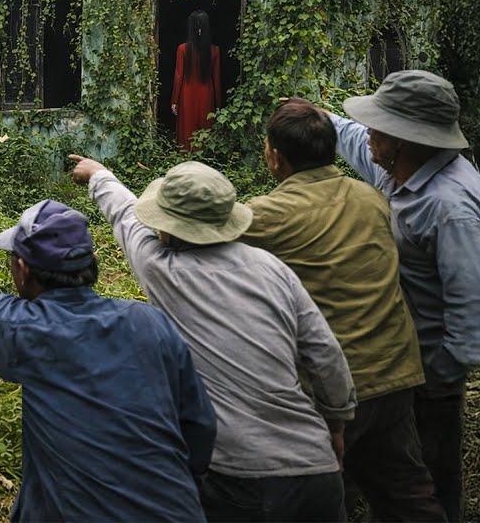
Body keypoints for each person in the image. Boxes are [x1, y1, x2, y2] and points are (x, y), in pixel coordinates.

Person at [71, 156, 357, 522]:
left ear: (170, 227)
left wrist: (98, 176)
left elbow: (125, 215)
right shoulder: (271, 267)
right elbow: (325, 353)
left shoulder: (162, 267)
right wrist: (336, 424)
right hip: (316, 469)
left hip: (236, 476)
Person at [0, 200, 216, 522]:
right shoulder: (150, 321)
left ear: (23, 270)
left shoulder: (24, 328)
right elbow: (199, 425)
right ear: (91, 262)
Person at [241, 98, 445, 521]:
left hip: (333, 389)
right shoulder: (370, 196)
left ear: (275, 157)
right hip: (395, 372)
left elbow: (189, 229)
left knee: (321, 498)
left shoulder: (267, 214)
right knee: (407, 493)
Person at [326, 70, 480, 522]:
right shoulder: (402, 169)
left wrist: (438, 375)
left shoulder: (449, 207)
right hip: (396, 358)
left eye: (377, 127)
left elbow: (476, 308)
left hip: (427, 368)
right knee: (393, 467)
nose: (368, 134)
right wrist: (314, 118)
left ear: (404, 138)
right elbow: (349, 138)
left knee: (428, 473)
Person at [171, 9, 222, 150]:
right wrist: (219, 103)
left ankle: (186, 154)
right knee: (206, 125)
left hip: (187, 94)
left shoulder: (182, 49)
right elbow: (216, 79)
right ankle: (204, 155)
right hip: (207, 93)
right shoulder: (215, 50)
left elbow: (178, 76)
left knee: (187, 127)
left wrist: (174, 100)